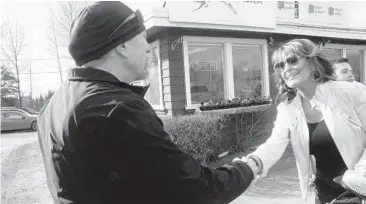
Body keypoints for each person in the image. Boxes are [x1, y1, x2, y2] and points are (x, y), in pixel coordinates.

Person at [37, 2, 256, 204]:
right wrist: (250, 167)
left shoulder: (51, 107)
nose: (148, 48)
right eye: (142, 38)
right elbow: (195, 190)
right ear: (121, 46)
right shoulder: (117, 109)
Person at [242, 39, 366, 204]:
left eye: (293, 61)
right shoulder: (288, 109)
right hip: (326, 194)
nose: (286, 69)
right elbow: (274, 144)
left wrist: (362, 171)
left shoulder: (351, 92)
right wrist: (251, 164)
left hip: (360, 188)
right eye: (280, 65)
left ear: (313, 62)